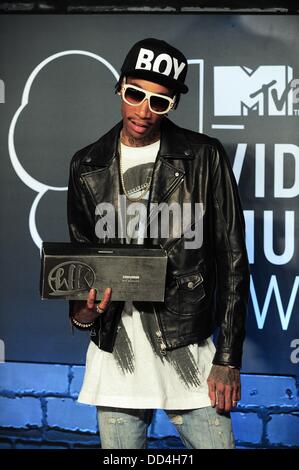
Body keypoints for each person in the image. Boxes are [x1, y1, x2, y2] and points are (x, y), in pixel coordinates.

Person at [67, 38, 250, 449]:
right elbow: (83, 265)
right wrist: (82, 311)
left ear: (172, 106)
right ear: (120, 86)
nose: (144, 111)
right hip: (117, 355)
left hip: (188, 347)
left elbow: (234, 260)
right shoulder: (87, 165)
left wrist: (228, 358)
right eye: (135, 95)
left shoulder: (203, 157)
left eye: (159, 102)